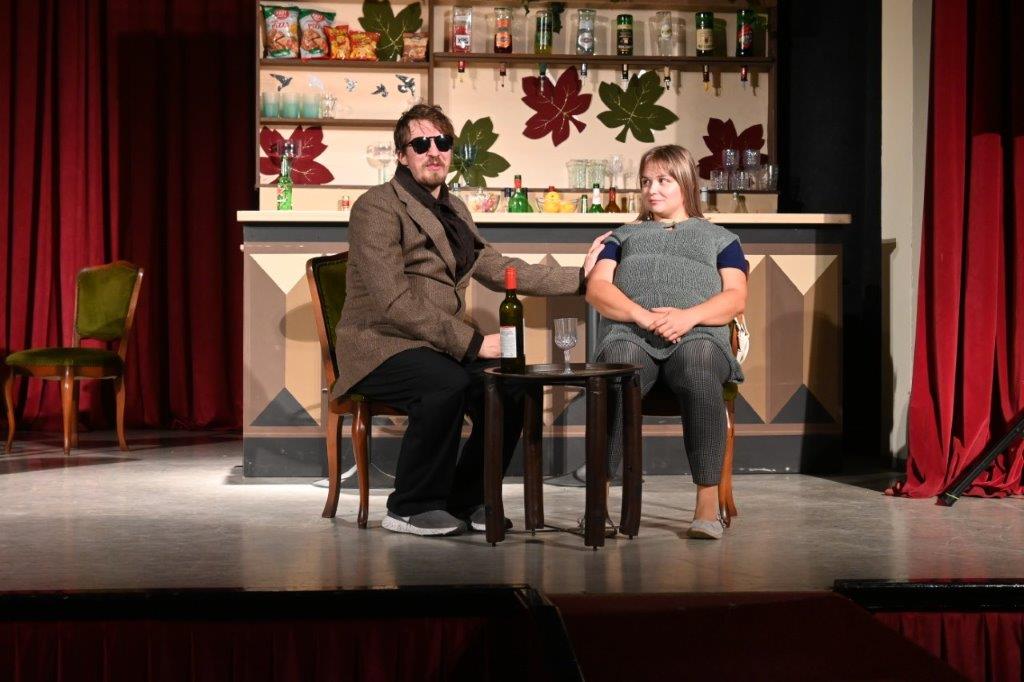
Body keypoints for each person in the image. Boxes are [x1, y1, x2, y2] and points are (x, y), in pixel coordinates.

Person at [331, 104, 609, 537]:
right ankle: (409, 506)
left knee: (511, 386)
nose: (434, 151)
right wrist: (475, 343)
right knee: (446, 383)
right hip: (381, 344)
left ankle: (467, 499)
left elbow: (499, 268)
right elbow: (393, 300)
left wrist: (582, 278)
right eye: (421, 143)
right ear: (402, 154)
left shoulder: (455, 209)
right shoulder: (377, 207)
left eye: (442, 142)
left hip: (436, 345)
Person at [587, 145, 748, 540]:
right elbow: (597, 288)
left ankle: (706, 507)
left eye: (663, 180)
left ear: (685, 182)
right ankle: (599, 504)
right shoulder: (622, 236)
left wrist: (688, 317)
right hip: (631, 333)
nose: (652, 189)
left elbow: (735, 297)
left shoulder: (721, 239)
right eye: (646, 181)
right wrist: (642, 316)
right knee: (618, 366)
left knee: (698, 366)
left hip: (698, 333)